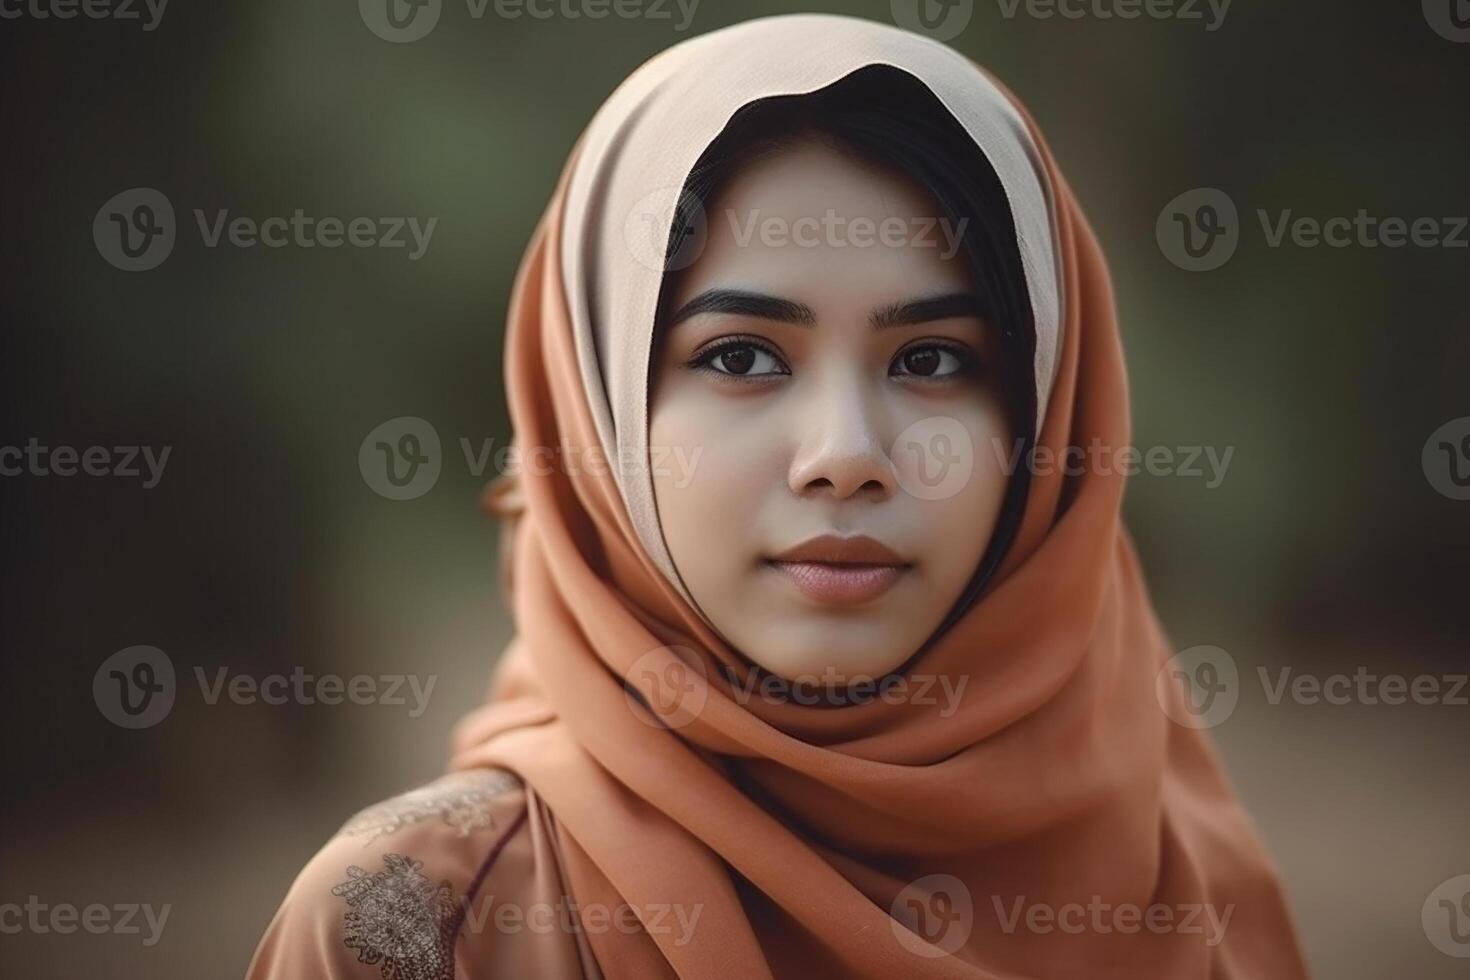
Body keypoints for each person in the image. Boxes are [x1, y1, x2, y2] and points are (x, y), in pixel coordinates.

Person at [246, 13, 1309, 978]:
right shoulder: (418, 931)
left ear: (1046, 423)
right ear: (602, 411)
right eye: (743, 355)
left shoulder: (1192, 896)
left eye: (934, 359)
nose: (844, 455)